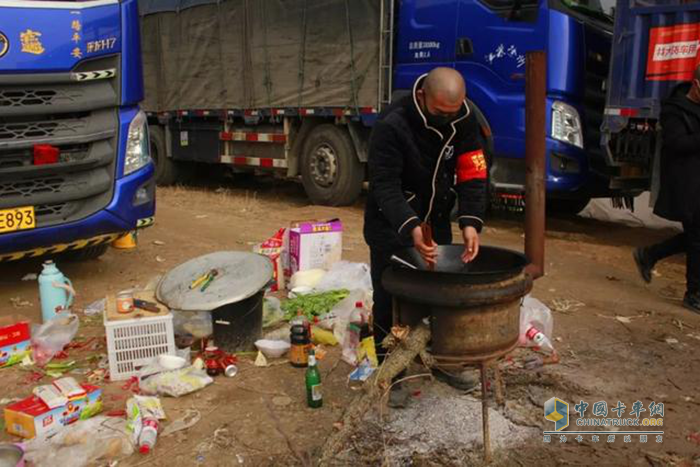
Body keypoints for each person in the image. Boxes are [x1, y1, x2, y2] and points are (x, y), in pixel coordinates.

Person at [363, 67, 488, 397]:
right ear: (422, 97)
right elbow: (384, 186)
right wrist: (411, 227)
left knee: (440, 294)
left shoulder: (464, 119)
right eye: (440, 112)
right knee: (391, 297)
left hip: (437, 221)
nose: (448, 119)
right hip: (391, 224)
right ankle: (392, 370)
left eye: (454, 112)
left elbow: (473, 172)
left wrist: (471, 221)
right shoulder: (393, 124)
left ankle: (443, 361)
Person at [633, 64, 700, 314]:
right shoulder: (674, 110)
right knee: (696, 239)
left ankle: (649, 255)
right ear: (696, 86)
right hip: (686, 183)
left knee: (696, 238)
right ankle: (693, 293)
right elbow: (675, 143)